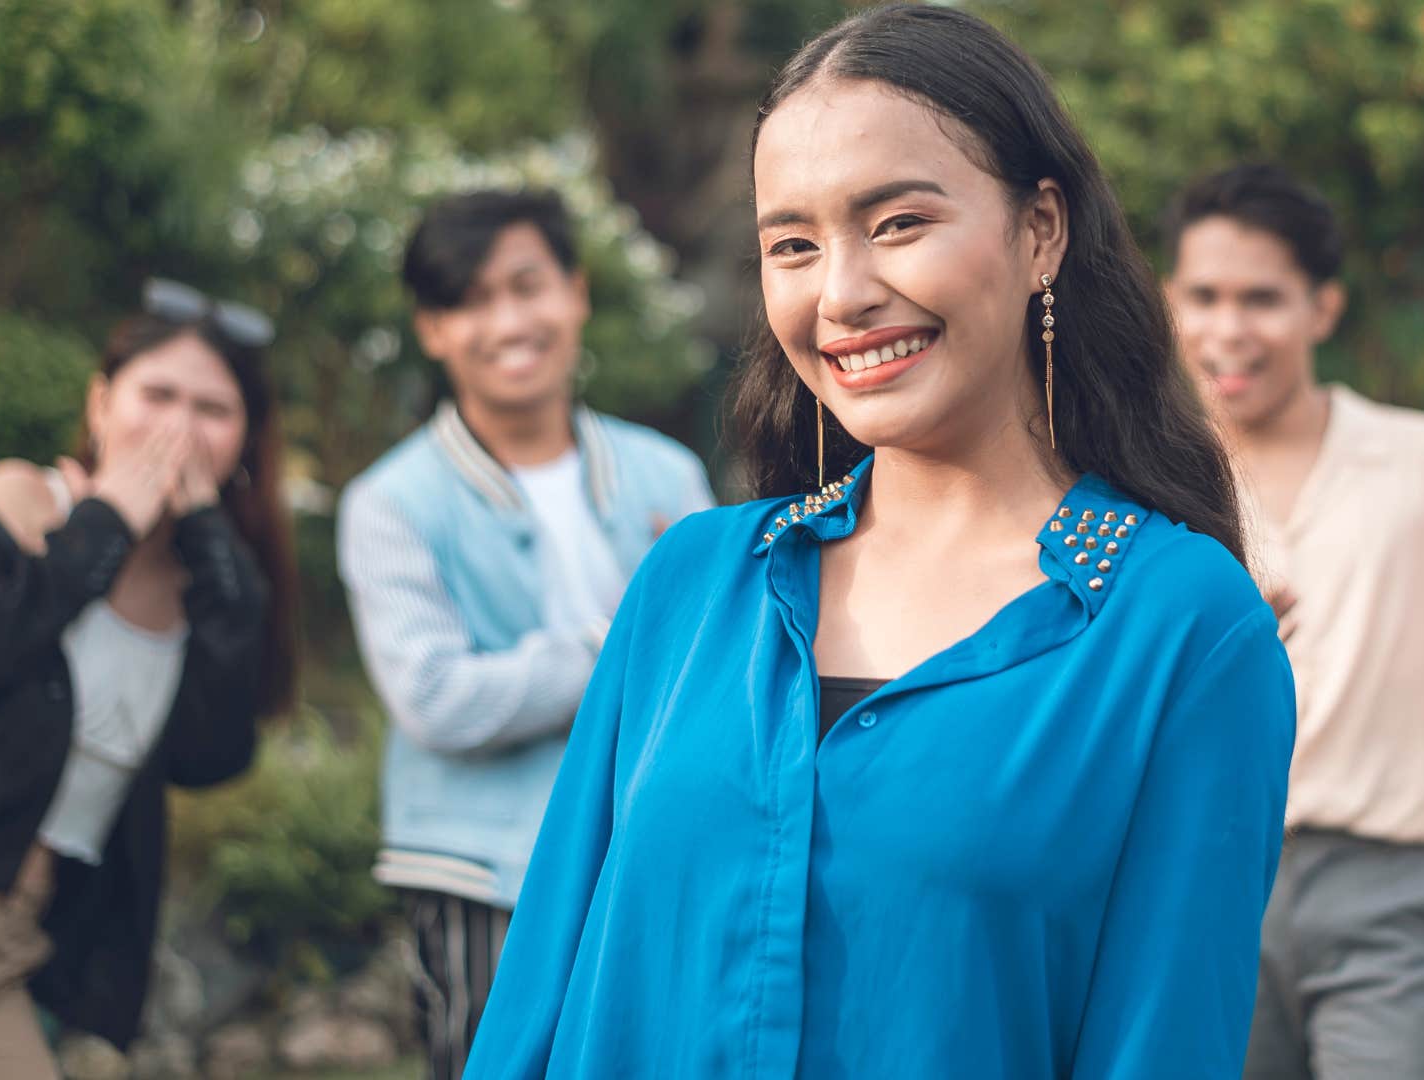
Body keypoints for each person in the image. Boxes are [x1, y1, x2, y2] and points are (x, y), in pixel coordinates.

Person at [463, 7, 1296, 1078]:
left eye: (898, 223)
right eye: (793, 245)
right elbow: (535, 1000)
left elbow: (1162, 1046)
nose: (843, 294)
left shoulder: (1182, 627)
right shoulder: (694, 582)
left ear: (1041, 230)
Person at [336, 188, 715, 1080]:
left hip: (653, 849)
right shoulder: (391, 503)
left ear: (576, 293)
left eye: (527, 285)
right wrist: (620, 646)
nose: (507, 320)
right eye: (469, 300)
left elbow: (720, 652)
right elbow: (436, 699)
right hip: (484, 875)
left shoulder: (666, 471)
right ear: (433, 329)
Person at [0, 279, 295, 1077]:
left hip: (2, 949)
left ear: (245, 438)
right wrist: (102, 527)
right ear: (101, 403)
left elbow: (212, 755)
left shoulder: (208, 584)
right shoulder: (26, 498)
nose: (178, 426)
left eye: (212, 410)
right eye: (158, 394)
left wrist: (206, 540)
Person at [1163, 163, 1424, 1079]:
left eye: (1263, 298)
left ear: (1324, 308)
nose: (1229, 329)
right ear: (1169, 301)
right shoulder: (1144, 492)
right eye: (1204, 296)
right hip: (1199, 885)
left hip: (1388, 895)